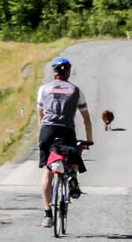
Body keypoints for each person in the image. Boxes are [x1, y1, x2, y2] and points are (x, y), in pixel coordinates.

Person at [37, 56, 93, 228]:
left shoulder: (43, 89)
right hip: (67, 130)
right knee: (74, 152)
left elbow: (40, 116)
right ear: (68, 72)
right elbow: (86, 119)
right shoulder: (76, 90)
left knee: (48, 171)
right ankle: (73, 176)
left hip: (47, 130)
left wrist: (43, 137)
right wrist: (89, 140)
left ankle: (47, 215)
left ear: (54, 73)